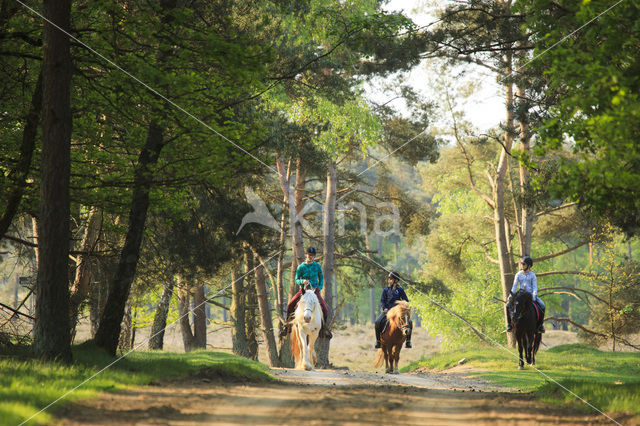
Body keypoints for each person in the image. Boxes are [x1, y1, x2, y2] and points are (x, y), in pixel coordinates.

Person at [280, 247, 332, 339]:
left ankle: (323, 330)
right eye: (309, 255)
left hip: (314, 292)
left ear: (314, 256)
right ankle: (287, 327)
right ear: (306, 255)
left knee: (325, 309)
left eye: (312, 255)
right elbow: (296, 279)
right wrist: (302, 281)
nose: (310, 257)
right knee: (290, 305)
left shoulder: (317, 266)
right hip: (303, 291)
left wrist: (319, 288)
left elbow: (321, 278)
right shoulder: (301, 267)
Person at [507, 256, 546, 333]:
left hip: (530, 295)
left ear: (528, 265)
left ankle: (540, 326)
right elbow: (514, 286)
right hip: (520, 295)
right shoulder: (518, 274)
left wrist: (534, 296)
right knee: (507, 305)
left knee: (542, 305)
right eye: (521, 264)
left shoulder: (532, 275)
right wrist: (510, 296)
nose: (522, 265)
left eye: (524, 264)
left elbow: (535, 287)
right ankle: (509, 325)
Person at [374, 271, 412, 349]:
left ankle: (408, 341)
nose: (389, 280)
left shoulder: (400, 290)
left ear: (395, 280)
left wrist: (403, 306)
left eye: (391, 279)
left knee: (410, 322)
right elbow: (382, 300)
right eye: (389, 279)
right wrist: (384, 308)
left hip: (397, 312)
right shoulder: (386, 290)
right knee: (377, 322)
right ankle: (378, 341)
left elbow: (405, 300)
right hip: (387, 311)